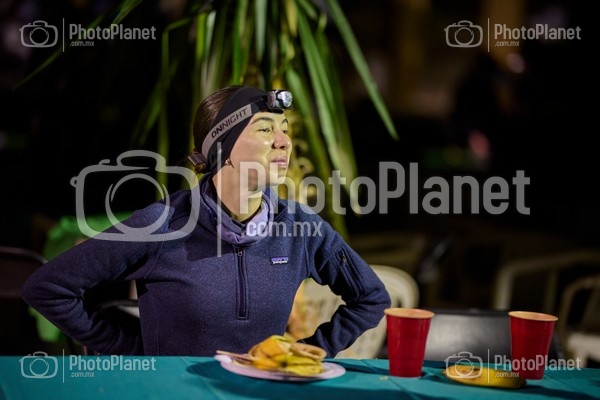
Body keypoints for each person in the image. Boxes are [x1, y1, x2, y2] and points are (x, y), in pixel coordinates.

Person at [22, 85, 391, 356]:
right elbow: (47, 288)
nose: (283, 142)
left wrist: (310, 350)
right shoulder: (162, 224)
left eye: (284, 129)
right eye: (265, 129)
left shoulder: (300, 228)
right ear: (221, 148)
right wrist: (136, 352)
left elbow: (371, 298)